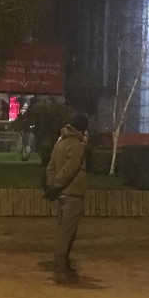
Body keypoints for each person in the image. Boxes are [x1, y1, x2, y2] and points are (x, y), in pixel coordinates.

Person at [44, 112, 90, 284]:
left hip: (61, 195)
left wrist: (52, 186)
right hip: (72, 194)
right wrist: (56, 184)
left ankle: (63, 261)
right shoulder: (77, 145)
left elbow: (51, 167)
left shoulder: (60, 142)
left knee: (63, 230)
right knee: (67, 233)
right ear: (82, 128)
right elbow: (70, 169)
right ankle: (60, 264)